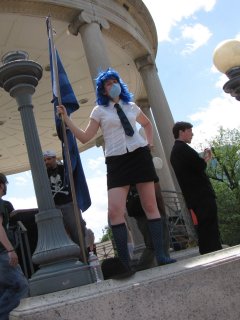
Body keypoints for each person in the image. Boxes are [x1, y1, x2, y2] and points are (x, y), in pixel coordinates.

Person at [57, 68, 175, 275]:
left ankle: (162, 254)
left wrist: (149, 144)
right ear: (102, 90)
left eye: (114, 81)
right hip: (116, 160)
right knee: (114, 211)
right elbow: (85, 137)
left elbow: (147, 124)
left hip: (139, 156)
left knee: (150, 205)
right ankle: (125, 262)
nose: (112, 86)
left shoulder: (131, 106)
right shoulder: (99, 111)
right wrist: (67, 120)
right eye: (108, 84)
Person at [170, 121, 222, 254]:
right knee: (209, 225)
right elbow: (199, 166)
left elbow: (193, 167)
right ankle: (213, 251)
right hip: (201, 195)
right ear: (182, 132)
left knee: (205, 226)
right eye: (190, 131)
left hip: (194, 196)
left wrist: (203, 160)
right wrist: (206, 157)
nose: (192, 134)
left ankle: (208, 251)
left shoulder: (175, 151)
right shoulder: (182, 149)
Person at [43, 150, 86, 258]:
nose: (46, 162)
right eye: (44, 160)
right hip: (55, 207)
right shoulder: (44, 174)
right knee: (62, 235)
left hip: (69, 204)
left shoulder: (64, 169)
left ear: (54, 158)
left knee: (77, 232)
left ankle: (83, 257)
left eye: (48, 159)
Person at [0, 173, 29, 320]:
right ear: (1, 185)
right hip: (1, 253)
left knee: (4, 289)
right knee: (20, 285)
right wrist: (10, 249)